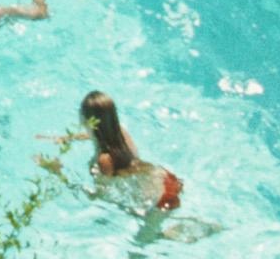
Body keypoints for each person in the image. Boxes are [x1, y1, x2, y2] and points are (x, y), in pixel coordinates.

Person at [49, 90, 193, 231]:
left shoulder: (104, 160)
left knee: (139, 249)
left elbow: (97, 197)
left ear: (86, 120)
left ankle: (188, 230)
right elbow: (95, 134)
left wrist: (57, 173)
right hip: (167, 179)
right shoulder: (119, 131)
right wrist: (69, 138)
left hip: (160, 198)